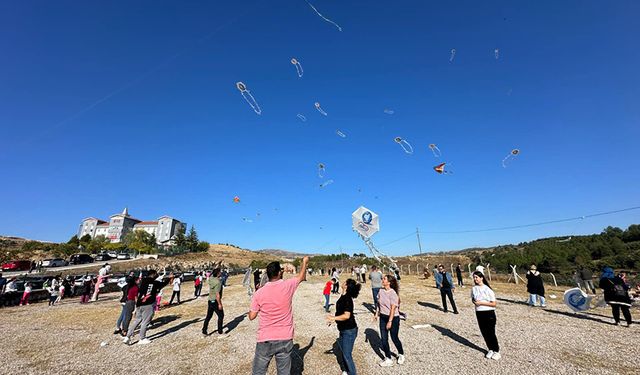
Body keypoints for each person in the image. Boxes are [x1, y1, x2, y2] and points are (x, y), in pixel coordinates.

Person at [248, 257, 309, 375]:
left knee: (258, 372)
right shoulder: (288, 285)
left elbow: (251, 316)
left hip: (265, 339)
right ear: (279, 273)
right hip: (285, 337)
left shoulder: (259, 292)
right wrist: (304, 262)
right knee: (284, 372)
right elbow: (302, 277)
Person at [124, 269, 169, 345]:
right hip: (148, 304)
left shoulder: (143, 281)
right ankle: (142, 338)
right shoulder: (154, 283)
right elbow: (163, 284)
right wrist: (169, 278)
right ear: (153, 275)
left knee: (137, 320)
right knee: (145, 321)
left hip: (139, 303)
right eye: (156, 274)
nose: (157, 275)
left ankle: (127, 337)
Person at [327, 278, 361, 375]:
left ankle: (352, 372)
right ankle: (346, 370)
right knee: (343, 352)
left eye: (344, 281)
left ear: (346, 285)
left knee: (347, 355)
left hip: (349, 330)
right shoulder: (343, 295)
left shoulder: (347, 299)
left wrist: (333, 318)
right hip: (343, 329)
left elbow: (347, 315)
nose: (342, 282)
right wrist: (334, 320)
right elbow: (340, 312)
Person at [375, 274, 405, 367]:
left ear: (389, 282)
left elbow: (393, 308)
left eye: (384, 279)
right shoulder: (380, 290)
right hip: (383, 317)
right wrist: (376, 314)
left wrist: (390, 321)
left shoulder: (393, 293)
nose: (382, 280)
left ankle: (401, 354)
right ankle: (388, 358)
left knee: (394, 338)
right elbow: (378, 303)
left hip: (393, 318)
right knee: (384, 339)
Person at [471, 271, 501, 360]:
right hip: (479, 313)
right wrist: (475, 302)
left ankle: (496, 350)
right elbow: (473, 298)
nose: (475, 279)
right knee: (484, 332)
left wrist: (482, 303)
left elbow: (494, 304)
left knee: (491, 332)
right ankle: (490, 349)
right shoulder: (474, 289)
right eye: (474, 277)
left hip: (488, 313)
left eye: (477, 277)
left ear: (481, 278)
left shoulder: (487, 289)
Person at [202, 268, 227, 337]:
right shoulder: (218, 282)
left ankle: (204, 331)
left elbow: (212, 273)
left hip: (210, 300)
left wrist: (217, 265)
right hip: (215, 301)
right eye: (220, 272)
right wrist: (219, 304)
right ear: (218, 273)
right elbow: (217, 294)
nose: (221, 273)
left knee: (208, 316)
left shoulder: (211, 278)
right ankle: (220, 332)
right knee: (221, 316)